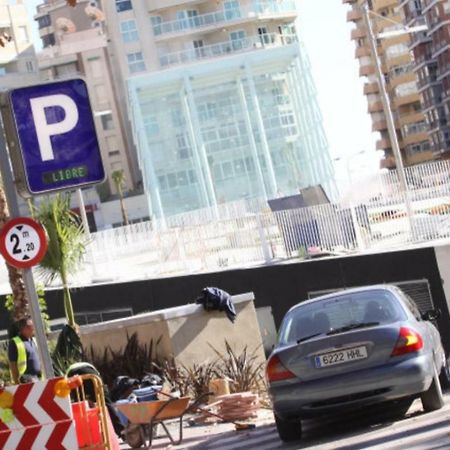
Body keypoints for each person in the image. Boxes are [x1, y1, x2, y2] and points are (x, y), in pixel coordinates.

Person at [8, 317, 41, 384]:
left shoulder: (33, 340)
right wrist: (17, 383)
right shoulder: (15, 342)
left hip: (38, 379)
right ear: (24, 329)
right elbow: (13, 365)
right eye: (31, 326)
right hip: (25, 380)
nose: (34, 328)